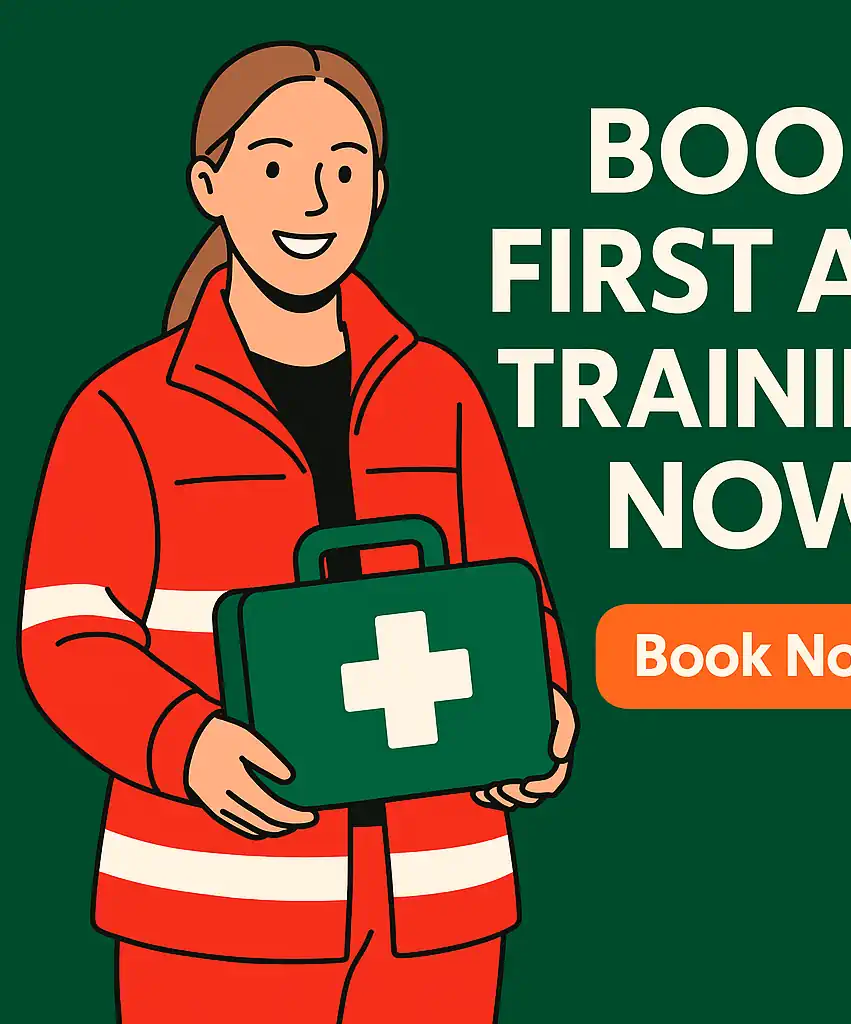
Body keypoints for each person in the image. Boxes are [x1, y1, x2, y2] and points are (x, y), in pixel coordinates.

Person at [19, 42, 575, 1023]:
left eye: (344, 167)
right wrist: (184, 744)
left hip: (438, 903)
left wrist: (543, 711)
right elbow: (68, 637)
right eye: (274, 164)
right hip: (215, 907)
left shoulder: (438, 391)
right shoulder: (124, 411)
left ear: (378, 188)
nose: (312, 199)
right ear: (209, 183)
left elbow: (513, 590)